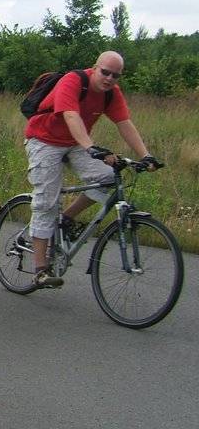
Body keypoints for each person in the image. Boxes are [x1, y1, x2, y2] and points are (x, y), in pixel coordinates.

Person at [23, 51, 160, 288]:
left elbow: (124, 123)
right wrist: (91, 147)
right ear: (95, 67)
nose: (108, 78)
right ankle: (40, 269)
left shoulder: (111, 94)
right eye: (105, 72)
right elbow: (70, 115)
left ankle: (67, 217)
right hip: (43, 140)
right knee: (46, 201)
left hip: (75, 142)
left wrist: (146, 155)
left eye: (115, 75)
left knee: (108, 177)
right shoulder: (74, 81)